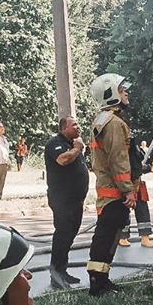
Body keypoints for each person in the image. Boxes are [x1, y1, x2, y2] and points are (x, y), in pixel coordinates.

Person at [85, 73, 138, 296]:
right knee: (106, 235)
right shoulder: (114, 123)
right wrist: (128, 190)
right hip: (115, 192)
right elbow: (119, 159)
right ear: (111, 94)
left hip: (111, 191)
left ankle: (102, 280)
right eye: (122, 90)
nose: (126, 93)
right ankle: (98, 284)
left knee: (109, 234)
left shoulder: (103, 120)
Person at [44, 116, 89, 289]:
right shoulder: (55, 143)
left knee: (70, 234)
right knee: (63, 234)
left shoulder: (73, 144)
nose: (78, 127)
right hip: (61, 199)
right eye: (74, 125)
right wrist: (77, 148)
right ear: (64, 128)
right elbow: (63, 160)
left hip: (76, 199)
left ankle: (62, 270)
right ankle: (55, 273)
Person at [119, 141, 153, 249]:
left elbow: (145, 162)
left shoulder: (135, 147)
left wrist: (144, 167)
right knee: (123, 210)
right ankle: (122, 236)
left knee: (142, 209)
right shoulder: (117, 147)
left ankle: (145, 237)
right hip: (124, 184)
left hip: (137, 182)